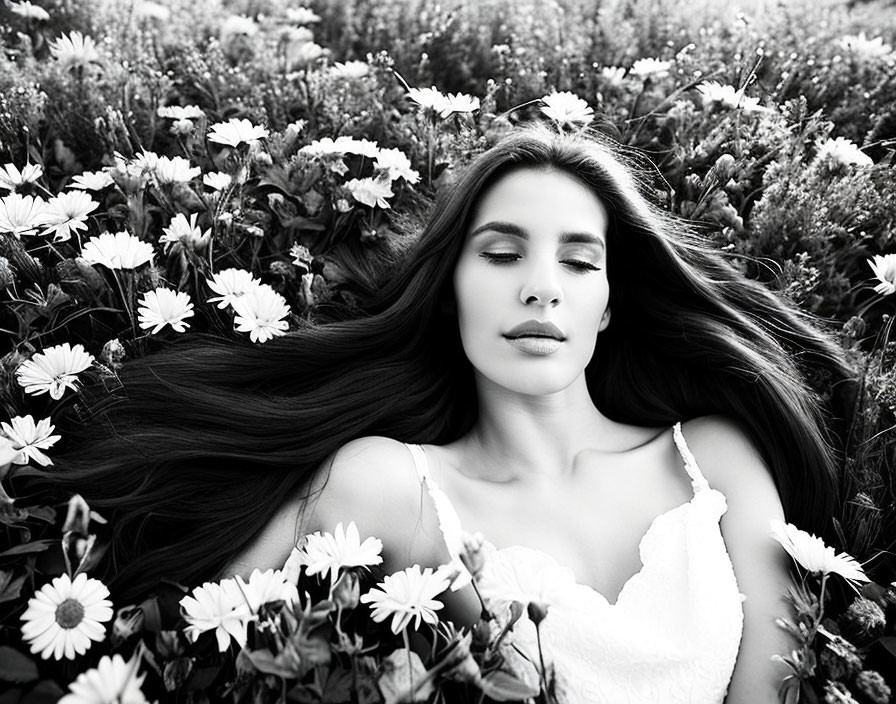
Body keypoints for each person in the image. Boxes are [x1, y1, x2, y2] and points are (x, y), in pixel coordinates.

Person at [46, 125, 853, 702]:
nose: (542, 285)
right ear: (450, 291)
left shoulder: (711, 457)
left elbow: (779, 688)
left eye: (579, 261)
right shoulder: (393, 484)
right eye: (503, 255)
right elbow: (187, 647)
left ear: (608, 305)